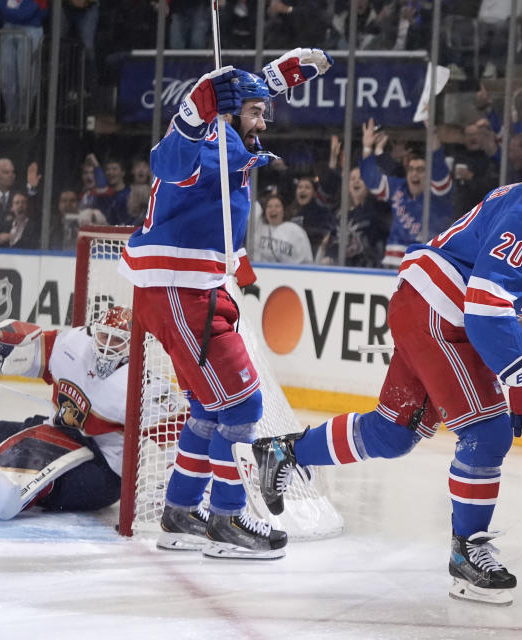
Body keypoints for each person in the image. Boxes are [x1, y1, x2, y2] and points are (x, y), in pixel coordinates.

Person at [253, 122, 522, 605]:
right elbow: (486, 305)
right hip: (438, 312)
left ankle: (284, 452)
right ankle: (467, 555)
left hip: (435, 309)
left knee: (394, 433)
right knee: (487, 431)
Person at [117, 48, 333, 558]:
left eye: (265, 111)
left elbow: (241, 99)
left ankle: (180, 510)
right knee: (243, 403)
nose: (264, 120)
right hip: (179, 287)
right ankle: (228, 520)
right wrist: (195, 110)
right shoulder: (209, 137)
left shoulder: (228, 134)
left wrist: (273, 82)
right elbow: (165, 162)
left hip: (194, 285)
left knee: (209, 409)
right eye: (256, 112)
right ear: (229, 112)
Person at [0, 308, 141, 521]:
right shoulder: (75, 344)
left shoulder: (141, 382)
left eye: (117, 340)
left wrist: (174, 499)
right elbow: (33, 354)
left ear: (131, 344)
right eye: (103, 336)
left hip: (103, 469)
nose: (107, 345)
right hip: (57, 434)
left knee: (56, 479)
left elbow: (170, 437)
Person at [360, 117, 454, 268]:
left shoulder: (438, 197)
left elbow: (439, 169)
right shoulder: (399, 188)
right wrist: (366, 147)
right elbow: (372, 180)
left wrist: (432, 133)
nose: (414, 174)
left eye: (420, 170)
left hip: (421, 269)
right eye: (411, 169)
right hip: (390, 266)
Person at [250, 194, 313, 264]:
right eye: (269, 206)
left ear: (283, 210)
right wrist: (261, 201)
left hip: (288, 273)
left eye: (277, 206)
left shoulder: (296, 231)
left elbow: (306, 259)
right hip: (259, 272)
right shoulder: (258, 227)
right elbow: (250, 214)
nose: (273, 209)